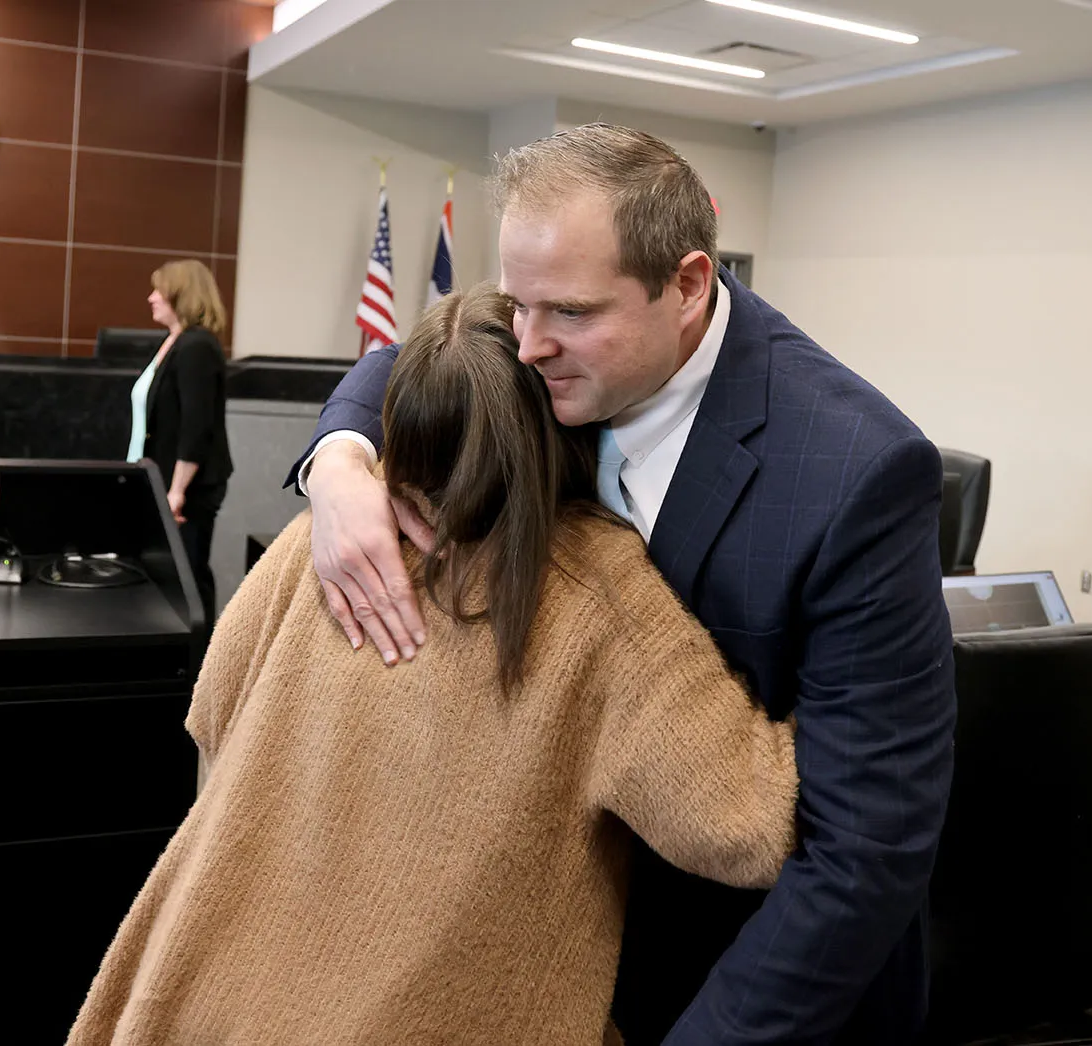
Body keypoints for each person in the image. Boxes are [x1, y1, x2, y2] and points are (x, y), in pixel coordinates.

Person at [288, 124, 956, 1045]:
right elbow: (402, 362)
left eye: (565, 312)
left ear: (686, 285)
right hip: (568, 975)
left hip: (741, 991)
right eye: (518, 305)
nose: (526, 345)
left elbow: (865, 855)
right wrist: (337, 458)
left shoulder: (856, 475)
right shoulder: (553, 349)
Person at [68, 284, 799, 1046]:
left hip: (200, 996)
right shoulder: (601, 595)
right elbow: (747, 828)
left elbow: (210, 716)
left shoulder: (325, 537)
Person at [126, 259, 232, 625]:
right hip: (160, 481)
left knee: (188, 582)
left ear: (181, 295)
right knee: (167, 581)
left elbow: (196, 427)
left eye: (160, 290)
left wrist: (175, 491)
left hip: (186, 490)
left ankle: (202, 668)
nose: (151, 297)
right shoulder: (173, 343)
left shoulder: (197, 346)